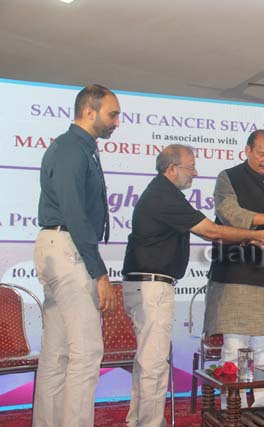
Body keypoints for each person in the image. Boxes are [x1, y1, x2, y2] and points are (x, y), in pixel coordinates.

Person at [121, 144, 264, 427]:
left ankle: (139, 421)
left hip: (148, 285)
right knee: (153, 364)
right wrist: (258, 235)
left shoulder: (165, 192)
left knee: (148, 362)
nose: (195, 173)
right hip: (151, 287)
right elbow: (211, 230)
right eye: (190, 167)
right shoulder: (164, 196)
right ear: (171, 169)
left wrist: (251, 238)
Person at [32, 84, 120, 427]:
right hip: (67, 249)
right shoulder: (71, 148)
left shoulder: (79, 148)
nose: (116, 122)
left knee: (57, 353)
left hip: (60, 246)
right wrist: (99, 273)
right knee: (86, 352)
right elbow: (75, 213)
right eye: (112, 114)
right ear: (88, 111)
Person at [203, 129, 264, 408]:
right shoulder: (228, 178)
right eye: (261, 154)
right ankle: (231, 412)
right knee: (234, 350)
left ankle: (261, 412)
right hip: (236, 277)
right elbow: (229, 214)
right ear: (247, 150)